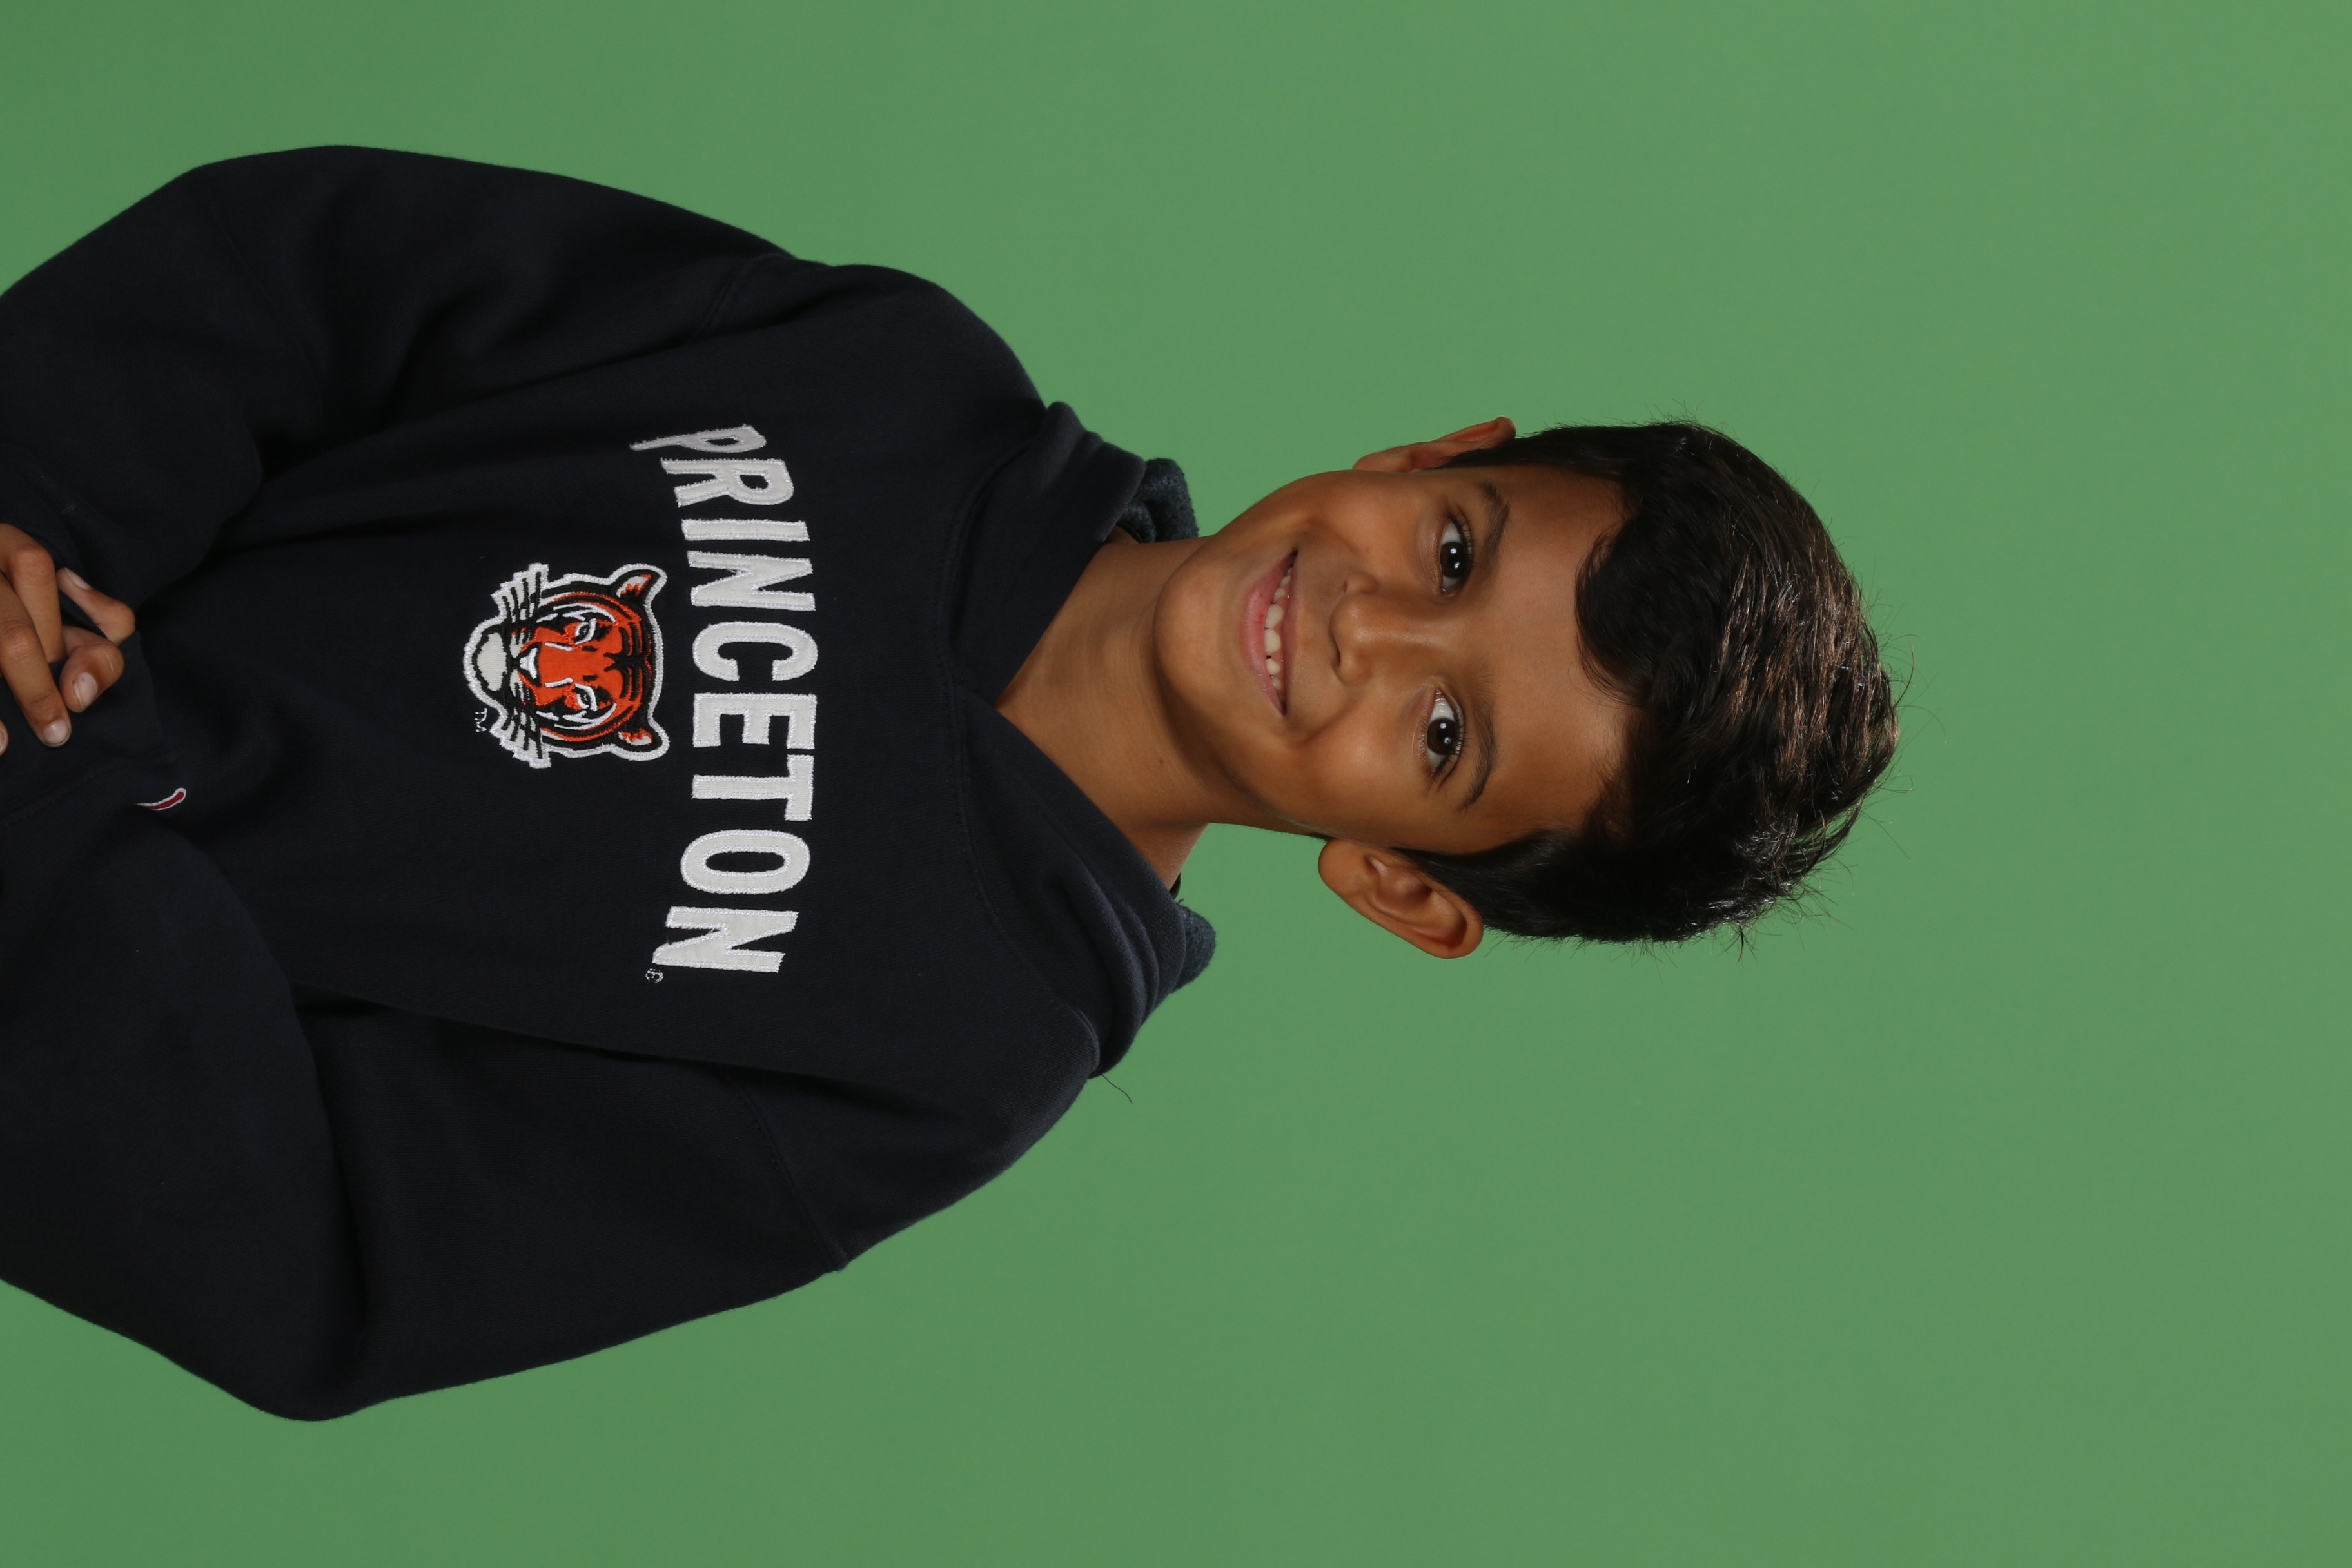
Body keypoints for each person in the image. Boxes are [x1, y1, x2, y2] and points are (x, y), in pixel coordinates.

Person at [0, 148, 1897, 1419]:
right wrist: (38, 511)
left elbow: (318, 1247)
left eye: (1445, 739)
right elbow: (333, 276)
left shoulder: (942, 1066)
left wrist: (49, 786)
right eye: (1458, 551)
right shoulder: (897, 379)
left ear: (1407, 883)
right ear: (1432, 450)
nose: (1367, 632)